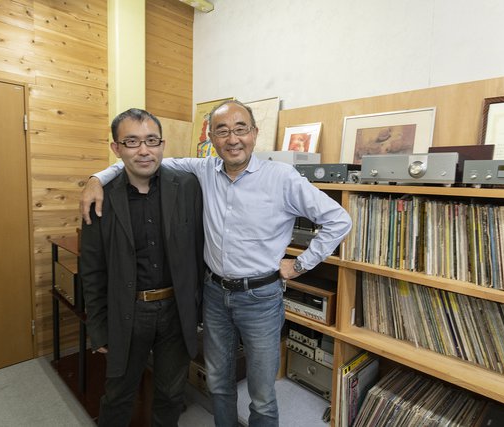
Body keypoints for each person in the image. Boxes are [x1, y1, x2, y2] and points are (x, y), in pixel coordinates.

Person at [80, 100, 351, 427]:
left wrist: (299, 265)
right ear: (212, 138)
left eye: (241, 129)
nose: (233, 139)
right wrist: (97, 177)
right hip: (214, 296)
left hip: (260, 299)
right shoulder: (202, 171)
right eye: (222, 131)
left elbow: (339, 219)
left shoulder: (282, 177)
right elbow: (144, 161)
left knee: (262, 395)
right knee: (218, 385)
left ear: (254, 133)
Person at [80, 108, 204, 427]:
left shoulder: (187, 186)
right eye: (132, 142)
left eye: (151, 140)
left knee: (171, 394)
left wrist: (198, 310)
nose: (144, 150)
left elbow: (199, 250)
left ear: (162, 144)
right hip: (128, 311)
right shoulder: (101, 197)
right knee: (118, 395)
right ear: (116, 148)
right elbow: (92, 269)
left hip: (176, 311)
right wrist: (98, 327)